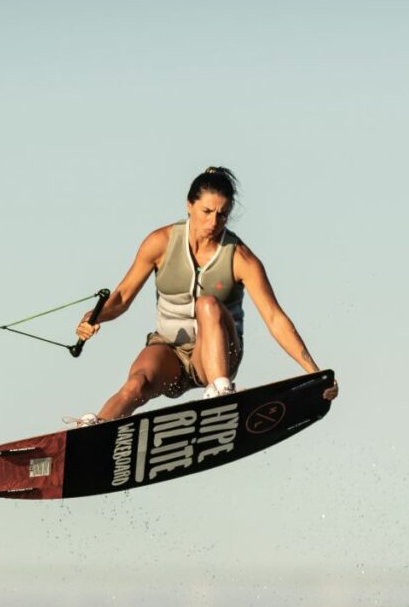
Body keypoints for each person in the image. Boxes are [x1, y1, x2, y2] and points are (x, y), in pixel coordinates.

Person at [66, 167, 336, 426]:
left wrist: (314, 372)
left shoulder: (240, 258)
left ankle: (220, 394)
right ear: (189, 205)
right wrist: (94, 316)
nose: (213, 222)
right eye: (207, 211)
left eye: (222, 215)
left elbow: (275, 318)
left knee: (207, 304)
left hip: (216, 359)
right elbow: (122, 297)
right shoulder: (160, 243)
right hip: (170, 353)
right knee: (137, 383)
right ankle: (96, 428)